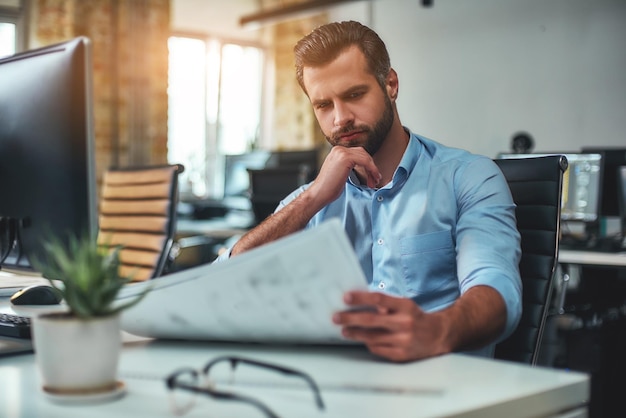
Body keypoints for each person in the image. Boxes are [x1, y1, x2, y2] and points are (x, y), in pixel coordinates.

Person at [217, 20, 522, 363]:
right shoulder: (313, 197)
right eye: (324, 105)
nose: (340, 119)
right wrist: (314, 198)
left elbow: (498, 294)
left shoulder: (468, 177)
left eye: (354, 95)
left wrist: (435, 330)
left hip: (440, 391)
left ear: (390, 84)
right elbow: (223, 279)